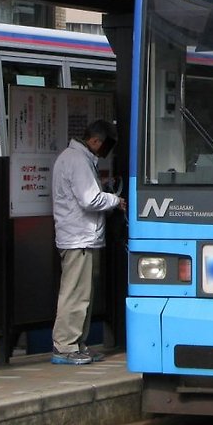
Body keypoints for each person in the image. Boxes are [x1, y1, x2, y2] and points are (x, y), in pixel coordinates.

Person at [50, 119, 125, 365]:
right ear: (95, 141)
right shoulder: (78, 160)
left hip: (81, 238)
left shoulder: (74, 158)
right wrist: (115, 200)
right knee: (75, 294)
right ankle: (65, 346)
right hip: (79, 239)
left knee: (83, 295)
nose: (103, 151)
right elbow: (89, 200)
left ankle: (77, 344)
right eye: (103, 146)